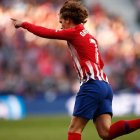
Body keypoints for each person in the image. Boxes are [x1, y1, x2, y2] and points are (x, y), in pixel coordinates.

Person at [11, 0, 140, 140]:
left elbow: (47, 33)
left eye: (61, 22)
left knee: (74, 129)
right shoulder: (90, 37)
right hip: (105, 86)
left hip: (92, 85)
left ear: (68, 20)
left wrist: (24, 24)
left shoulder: (75, 33)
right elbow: (100, 63)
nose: (60, 26)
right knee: (105, 133)